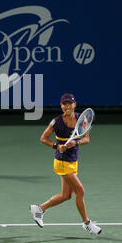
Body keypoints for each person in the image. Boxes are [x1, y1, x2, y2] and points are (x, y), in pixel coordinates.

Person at [29, 93, 101, 235]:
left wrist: (76, 142)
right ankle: (86, 223)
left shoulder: (82, 119)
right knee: (80, 191)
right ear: (61, 106)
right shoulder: (56, 122)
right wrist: (57, 146)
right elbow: (43, 138)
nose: (67, 106)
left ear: (74, 104)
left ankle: (39, 209)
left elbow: (86, 139)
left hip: (73, 161)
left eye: (70, 103)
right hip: (62, 162)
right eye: (64, 104)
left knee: (66, 195)